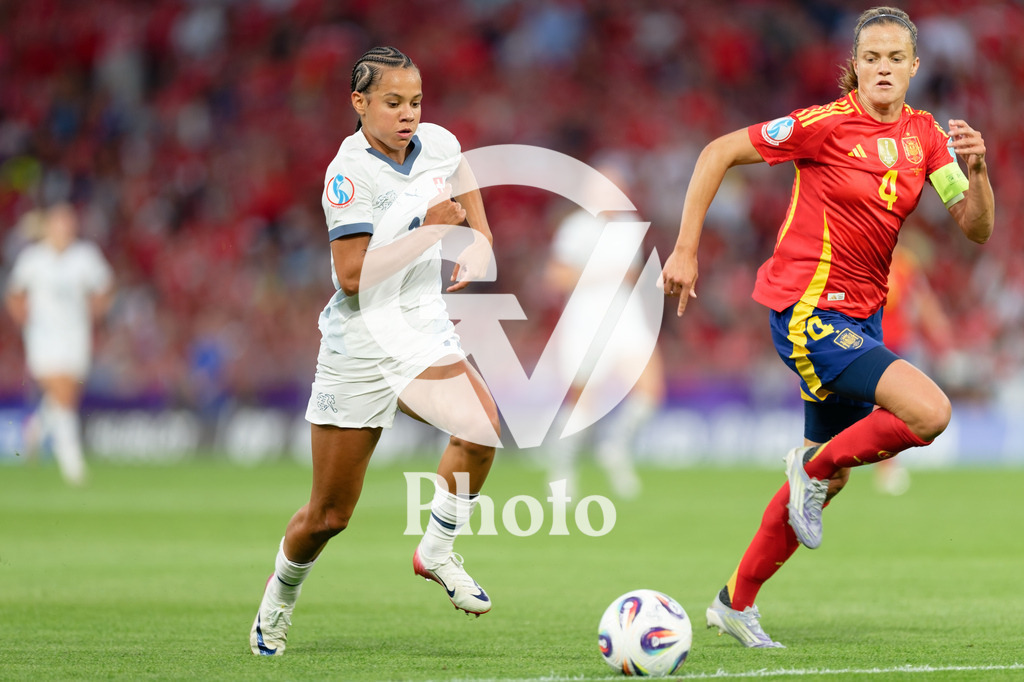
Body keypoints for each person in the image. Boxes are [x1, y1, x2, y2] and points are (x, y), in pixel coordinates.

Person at [660, 7, 993, 648]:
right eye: (873, 57)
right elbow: (718, 151)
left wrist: (978, 174)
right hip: (809, 310)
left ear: (914, 67)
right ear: (856, 66)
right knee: (929, 412)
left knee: (832, 472)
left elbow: (975, 227)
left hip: (860, 317)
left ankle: (735, 601)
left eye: (897, 57)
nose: (885, 67)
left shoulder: (928, 140)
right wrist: (686, 248)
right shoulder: (823, 125)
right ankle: (808, 471)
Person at [250, 46, 501, 656]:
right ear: (359, 104)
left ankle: (436, 552)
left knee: (481, 428)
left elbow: (461, 174)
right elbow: (354, 275)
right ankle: (277, 603)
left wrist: (480, 239)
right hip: (359, 343)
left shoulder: (438, 143)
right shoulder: (349, 173)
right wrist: (433, 232)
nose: (408, 113)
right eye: (392, 103)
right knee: (330, 515)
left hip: (419, 326)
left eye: (415, 101)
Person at [544, 159, 664, 500]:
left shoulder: (630, 226)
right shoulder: (576, 228)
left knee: (650, 388)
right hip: (587, 317)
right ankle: (562, 467)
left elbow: (632, 274)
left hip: (626, 315)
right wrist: (600, 273)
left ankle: (615, 445)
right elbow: (556, 276)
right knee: (584, 401)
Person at [5, 203, 114, 486]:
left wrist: (96, 311)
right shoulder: (33, 258)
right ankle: (72, 463)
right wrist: (25, 321)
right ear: (49, 227)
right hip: (43, 335)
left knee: (67, 394)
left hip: (75, 334)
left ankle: (38, 429)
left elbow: (104, 287)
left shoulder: (85, 256)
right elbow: (15, 293)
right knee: (61, 392)